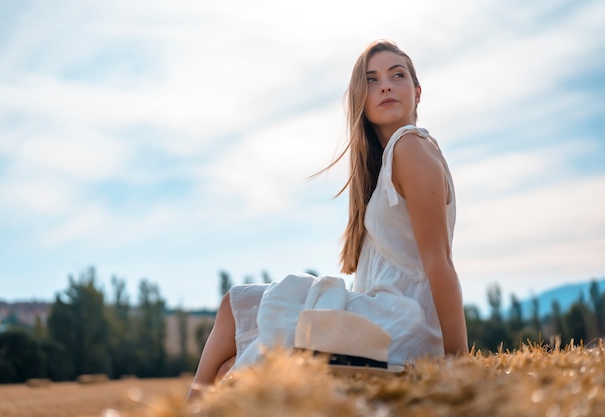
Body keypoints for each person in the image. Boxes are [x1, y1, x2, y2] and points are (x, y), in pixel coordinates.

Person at [187, 39, 468, 399]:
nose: (384, 85)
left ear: (417, 92)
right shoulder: (394, 160)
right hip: (385, 323)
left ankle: (186, 407)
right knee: (232, 368)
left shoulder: (410, 146)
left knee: (234, 305)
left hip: (400, 326)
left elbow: (439, 261)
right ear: (360, 102)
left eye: (397, 75)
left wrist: (459, 365)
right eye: (371, 79)